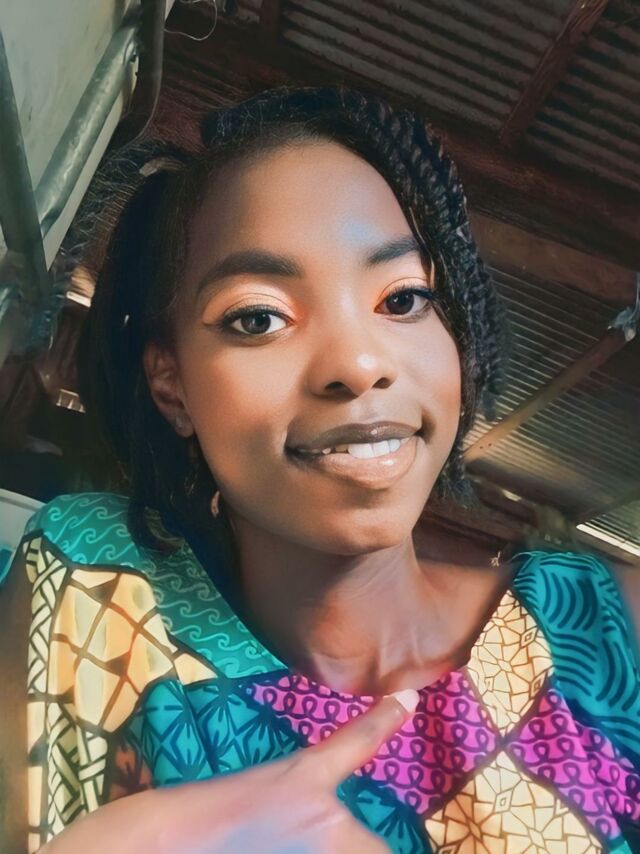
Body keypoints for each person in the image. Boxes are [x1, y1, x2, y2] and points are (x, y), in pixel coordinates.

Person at [1, 85, 639, 854]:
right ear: (173, 385)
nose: (360, 363)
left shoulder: (613, 628)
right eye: (258, 317)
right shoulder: (101, 583)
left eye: (402, 300)